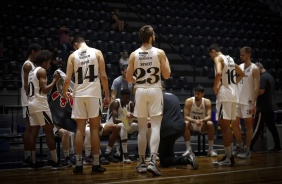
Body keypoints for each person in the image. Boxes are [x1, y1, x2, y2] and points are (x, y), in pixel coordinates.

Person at [126, 25, 171, 176]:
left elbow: (128, 77)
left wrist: (139, 81)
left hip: (140, 90)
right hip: (154, 89)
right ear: (151, 36)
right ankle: (152, 161)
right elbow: (166, 75)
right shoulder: (159, 53)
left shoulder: (134, 54)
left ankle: (141, 163)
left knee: (142, 128)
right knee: (156, 126)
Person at [62, 36, 110, 175]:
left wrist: (65, 93)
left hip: (79, 95)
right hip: (94, 94)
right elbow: (104, 76)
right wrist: (107, 95)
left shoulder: (72, 56)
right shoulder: (97, 52)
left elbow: (67, 80)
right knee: (94, 130)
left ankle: (78, 165)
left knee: (80, 130)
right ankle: (95, 164)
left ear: (76, 44)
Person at [27, 50, 65, 169]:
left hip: (31, 103)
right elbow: (44, 90)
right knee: (49, 132)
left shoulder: (31, 71)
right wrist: (55, 80)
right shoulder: (42, 71)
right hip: (40, 104)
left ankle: (33, 162)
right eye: (49, 63)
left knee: (33, 134)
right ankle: (55, 161)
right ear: (44, 62)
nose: (49, 65)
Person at [208, 44, 244, 166]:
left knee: (224, 127)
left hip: (225, 94)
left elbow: (218, 73)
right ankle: (229, 156)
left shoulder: (218, 58)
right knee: (227, 126)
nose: (211, 58)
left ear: (213, 52)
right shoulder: (230, 58)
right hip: (234, 95)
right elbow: (241, 73)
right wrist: (233, 84)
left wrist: (215, 86)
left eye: (210, 56)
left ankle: (229, 158)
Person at [155, 81, 198, 169]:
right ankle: (180, 159)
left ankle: (187, 159)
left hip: (168, 128)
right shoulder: (173, 95)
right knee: (168, 154)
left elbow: (157, 114)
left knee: (164, 161)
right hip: (180, 126)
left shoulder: (158, 96)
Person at [231, 47, 260, 159]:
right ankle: (239, 145)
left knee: (248, 125)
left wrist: (253, 103)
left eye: (242, 55)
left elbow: (257, 87)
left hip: (248, 101)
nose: (240, 56)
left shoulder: (255, 68)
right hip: (237, 100)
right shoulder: (240, 67)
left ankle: (247, 149)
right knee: (234, 123)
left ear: (248, 55)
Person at [250, 62, 281, 152]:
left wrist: (252, 93)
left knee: (256, 128)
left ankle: (248, 147)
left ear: (259, 68)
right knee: (272, 128)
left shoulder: (263, 77)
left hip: (263, 108)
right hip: (270, 107)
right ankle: (278, 146)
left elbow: (261, 91)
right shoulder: (270, 76)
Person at [20, 43, 42, 166]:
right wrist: (31, 98)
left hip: (30, 100)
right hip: (28, 100)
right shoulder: (28, 64)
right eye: (39, 52)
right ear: (33, 52)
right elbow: (26, 85)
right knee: (29, 128)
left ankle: (29, 155)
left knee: (31, 128)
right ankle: (27, 156)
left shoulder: (32, 65)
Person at [104, 89, 138, 163]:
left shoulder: (130, 104)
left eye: (129, 98)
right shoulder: (116, 103)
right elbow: (115, 120)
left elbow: (133, 119)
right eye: (126, 98)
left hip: (124, 125)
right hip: (111, 124)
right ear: (121, 97)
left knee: (140, 125)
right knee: (122, 125)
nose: (127, 100)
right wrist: (128, 120)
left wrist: (137, 119)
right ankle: (125, 155)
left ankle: (145, 153)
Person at [183, 85, 218, 157]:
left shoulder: (207, 102)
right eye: (195, 93)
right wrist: (195, 121)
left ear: (202, 94)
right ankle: (188, 149)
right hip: (192, 124)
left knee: (210, 123)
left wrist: (202, 120)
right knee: (185, 123)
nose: (196, 95)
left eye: (198, 94)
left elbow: (209, 116)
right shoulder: (189, 101)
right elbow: (186, 116)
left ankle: (210, 150)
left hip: (202, 125)